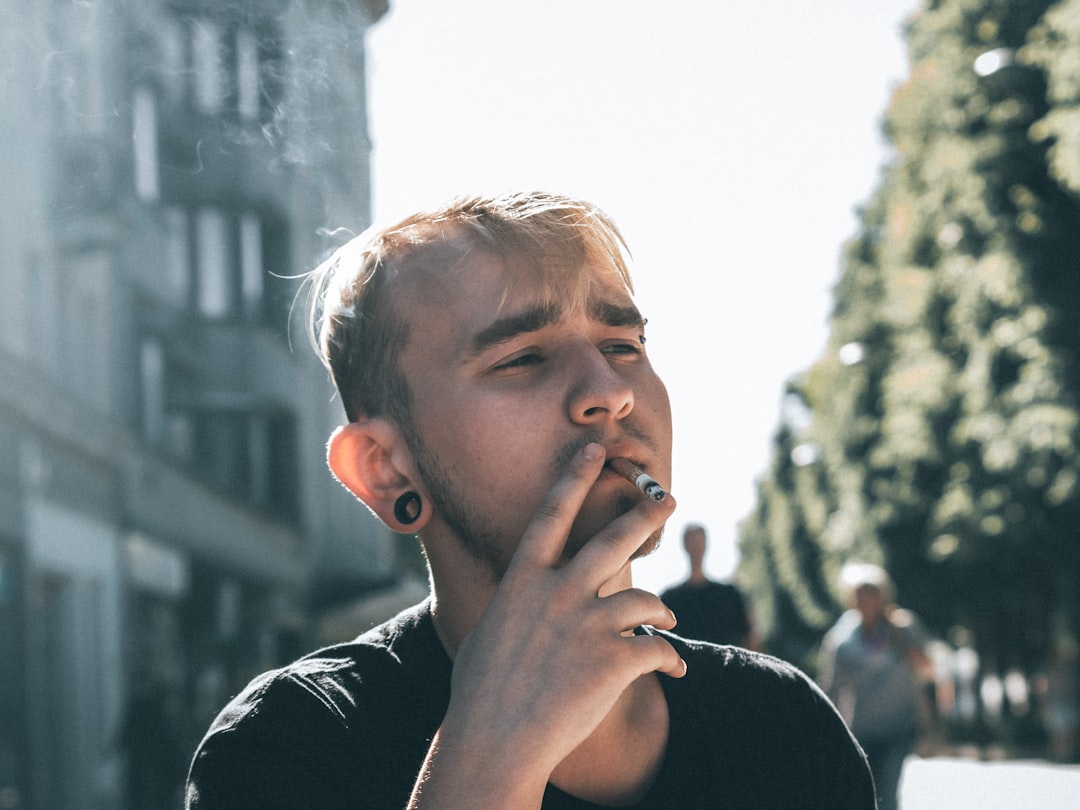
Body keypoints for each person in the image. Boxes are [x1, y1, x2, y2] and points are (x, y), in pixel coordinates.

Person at [185, 191, 875, 809]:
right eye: (521, 358)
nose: (609, 389)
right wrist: (491, 754)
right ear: (387, 469)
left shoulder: (784, 725)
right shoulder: (293, 744)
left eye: (623, 343)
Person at [819, 562, 932, 810]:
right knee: (866, 792)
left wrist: (905, 645)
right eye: (860, 595)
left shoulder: (903, 627)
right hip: (862, 727)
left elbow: (926, 668)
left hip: (899, 726)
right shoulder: (842, 639)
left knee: (888, 792)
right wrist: (825, 730)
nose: (865, 600)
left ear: (883, 596)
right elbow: (832, 687)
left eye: (871, 594)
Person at [659, 523, 755, 648]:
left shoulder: (729, 595)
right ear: (685, 545)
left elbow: (750, 636)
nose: (696, 547)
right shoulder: (670, 600)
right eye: (692, 541)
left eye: (699, 541)